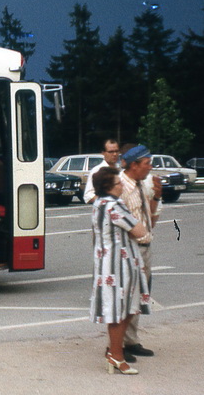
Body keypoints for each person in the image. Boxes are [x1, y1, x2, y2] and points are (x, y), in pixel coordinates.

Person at [89, 166, 150, 375]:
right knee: (121, 312)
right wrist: (135, 231)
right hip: (120, 265)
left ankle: (115, 353)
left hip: (108, 262)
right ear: (109, 186)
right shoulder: (114, 206)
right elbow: (141, 231)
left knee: (120, 310)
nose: (122, 185)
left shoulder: (99, 203)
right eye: (118, 183)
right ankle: (116, 355)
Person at [119, 145, 162, 359]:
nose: (150, 168)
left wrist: (156, 197)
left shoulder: (140, 185)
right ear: (134, 165)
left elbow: (150, 217)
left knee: (138, 298)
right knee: (126, 298)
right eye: (147, 163)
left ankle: (130, 340)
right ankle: (116, 346)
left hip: (144, 247)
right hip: (129, 250)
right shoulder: (121, 187)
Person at [83, 139, 121, 204]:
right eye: (111, 152)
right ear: (103, 153)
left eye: (116, 151)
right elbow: (88, 196)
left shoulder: (121, 169)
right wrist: (107, 203)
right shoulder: (97, 171)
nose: (114, 154)